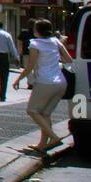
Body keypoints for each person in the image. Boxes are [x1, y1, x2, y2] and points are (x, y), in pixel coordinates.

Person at [12, 18, 72, 154]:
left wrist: (18, 80)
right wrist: (55, 60)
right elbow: (69, 59)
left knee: (32, 110)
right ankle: (42, 145)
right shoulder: (56, 41)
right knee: (45, 114)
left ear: (37, 31)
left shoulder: (35, 43)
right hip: (60, 82)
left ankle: (54, 137)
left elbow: (30, 66)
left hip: (44, 82)